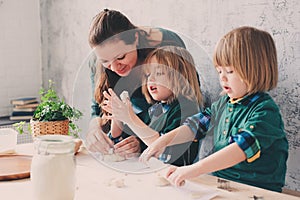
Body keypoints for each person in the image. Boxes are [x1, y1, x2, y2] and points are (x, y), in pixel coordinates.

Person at [140, 26, 288, 192]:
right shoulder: (224, 103)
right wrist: (163, 141)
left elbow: (240, 149)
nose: (222, 77)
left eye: (230, 71)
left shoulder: (265, 111)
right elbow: (195, 126)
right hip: (223, 182)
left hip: (257, 189)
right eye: (219, 71)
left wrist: (193, 169)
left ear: (256, 69)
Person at [85, 9, 190, 156]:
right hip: (137, 133)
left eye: (120, 57)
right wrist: (94, 129)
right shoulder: (96, 61)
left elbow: (185, 103)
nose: (114, 68)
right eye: (105, 61)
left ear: (135, 38)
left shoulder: (167, 44)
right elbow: (97, 109)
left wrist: (142, 141)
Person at [102, 46, 204, 166]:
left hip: (176, 174)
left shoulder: (186, 108)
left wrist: (130, 118)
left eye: (159, 73)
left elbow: (164, 151)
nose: (151, 79)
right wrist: (118, 118)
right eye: (148, 74)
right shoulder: (155, 109)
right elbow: (124, 140)